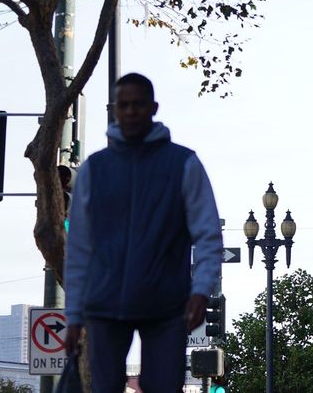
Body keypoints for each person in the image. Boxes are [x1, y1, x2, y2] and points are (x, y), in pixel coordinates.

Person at [64, 73, 223, 391]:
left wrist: (201, 291)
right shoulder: (95, 170)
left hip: (165, 305)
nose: (131, 111)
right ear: (115, 110)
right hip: (105, 306)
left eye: (138, 104)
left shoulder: (184, 165)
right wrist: (74, 316)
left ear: (153, 107)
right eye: (124, 105)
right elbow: (80, 247)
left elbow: (208, 236)